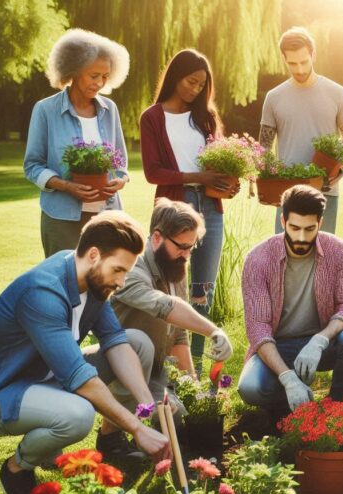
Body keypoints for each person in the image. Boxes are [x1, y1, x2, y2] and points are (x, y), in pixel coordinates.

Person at [0, 212, 171, 494]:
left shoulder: (90, 274)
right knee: (78, 415)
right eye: (118, 270)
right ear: (93, 255)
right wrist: (137, 428)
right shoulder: (42, 292)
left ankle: (110, 439)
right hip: (3, 397)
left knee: (138, 344)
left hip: (49, 375)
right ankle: (16, 468)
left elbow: (115, 340)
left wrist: (146, 406)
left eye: (126, 272)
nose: (122, 282)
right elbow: (79, 378)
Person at [237, 186, 343, 421]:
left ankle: (335, 406)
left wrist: (319, 340)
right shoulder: (258, 259)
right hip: (277, 346)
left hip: (324, 344)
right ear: (283, 220)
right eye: (294, 228)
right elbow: (258, 329)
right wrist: (287, 377)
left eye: (309, 229)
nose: (301, 237)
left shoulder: (340, 252)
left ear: (320, 222)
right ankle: (288, 405)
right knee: (251, 388)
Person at [141, 48, 238, 371]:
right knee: (171, 289)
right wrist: (199, 176)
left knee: (202, 291)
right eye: (191, 82)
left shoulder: (206, 118)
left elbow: (221, 161)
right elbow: (153, 172)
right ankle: (168, 365)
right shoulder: (153, 117)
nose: (195, 90)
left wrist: (227, 182)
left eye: (201, 85)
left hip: (210, 207)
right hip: (173, 209)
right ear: (175, 77)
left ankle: (198, 362)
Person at [110, 199, 234, 423]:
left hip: (155, 370)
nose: (187, 255)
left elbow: (179, 333)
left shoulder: (174, 263)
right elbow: (166, 307)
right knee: (167, 416)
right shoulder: (131, 269)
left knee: (184, 418)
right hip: (120, 367)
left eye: (192, 246)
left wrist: (193, 388)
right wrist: (213, 331)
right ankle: (111, 435)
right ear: (157, 238)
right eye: (182, 247)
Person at [25, 29, 131, 258]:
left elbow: (120, 163)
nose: (100, 83)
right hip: (61, 220)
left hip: (106, 217)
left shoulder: (110, 110)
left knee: (103, 286)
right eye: (94, 75)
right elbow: (32, 166)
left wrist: (119, 180)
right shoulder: (45, 110)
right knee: (66, 286)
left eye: (105, 76)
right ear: (72, 70)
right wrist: (66, 186)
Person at [260, 27, 343, 234]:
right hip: (286, 193)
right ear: (284, 58)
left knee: (323, 258)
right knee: (285, 259)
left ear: (313, 55)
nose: (300, 69)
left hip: (325, 191)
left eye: (304, 61)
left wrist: (342, 169)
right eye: (292, 63)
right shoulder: (274, 97)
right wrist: (262, 178)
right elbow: (264, 147)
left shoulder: (337, 94)